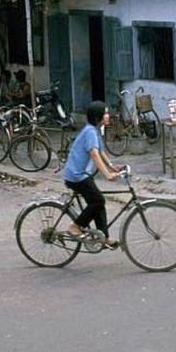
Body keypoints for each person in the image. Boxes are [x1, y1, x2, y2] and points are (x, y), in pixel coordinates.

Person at [63, 101, 123, 248]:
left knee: (98, 202)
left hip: (82, 174)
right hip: (76, 176)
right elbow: (94, 154)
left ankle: (104, 238)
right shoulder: (90, 132)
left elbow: (101, 151)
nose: (108, 116)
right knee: (97, 201)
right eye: (106, 113)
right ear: (98, 117)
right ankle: (75, 226)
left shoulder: (94, 130)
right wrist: (107, 174)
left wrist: (111, 166)